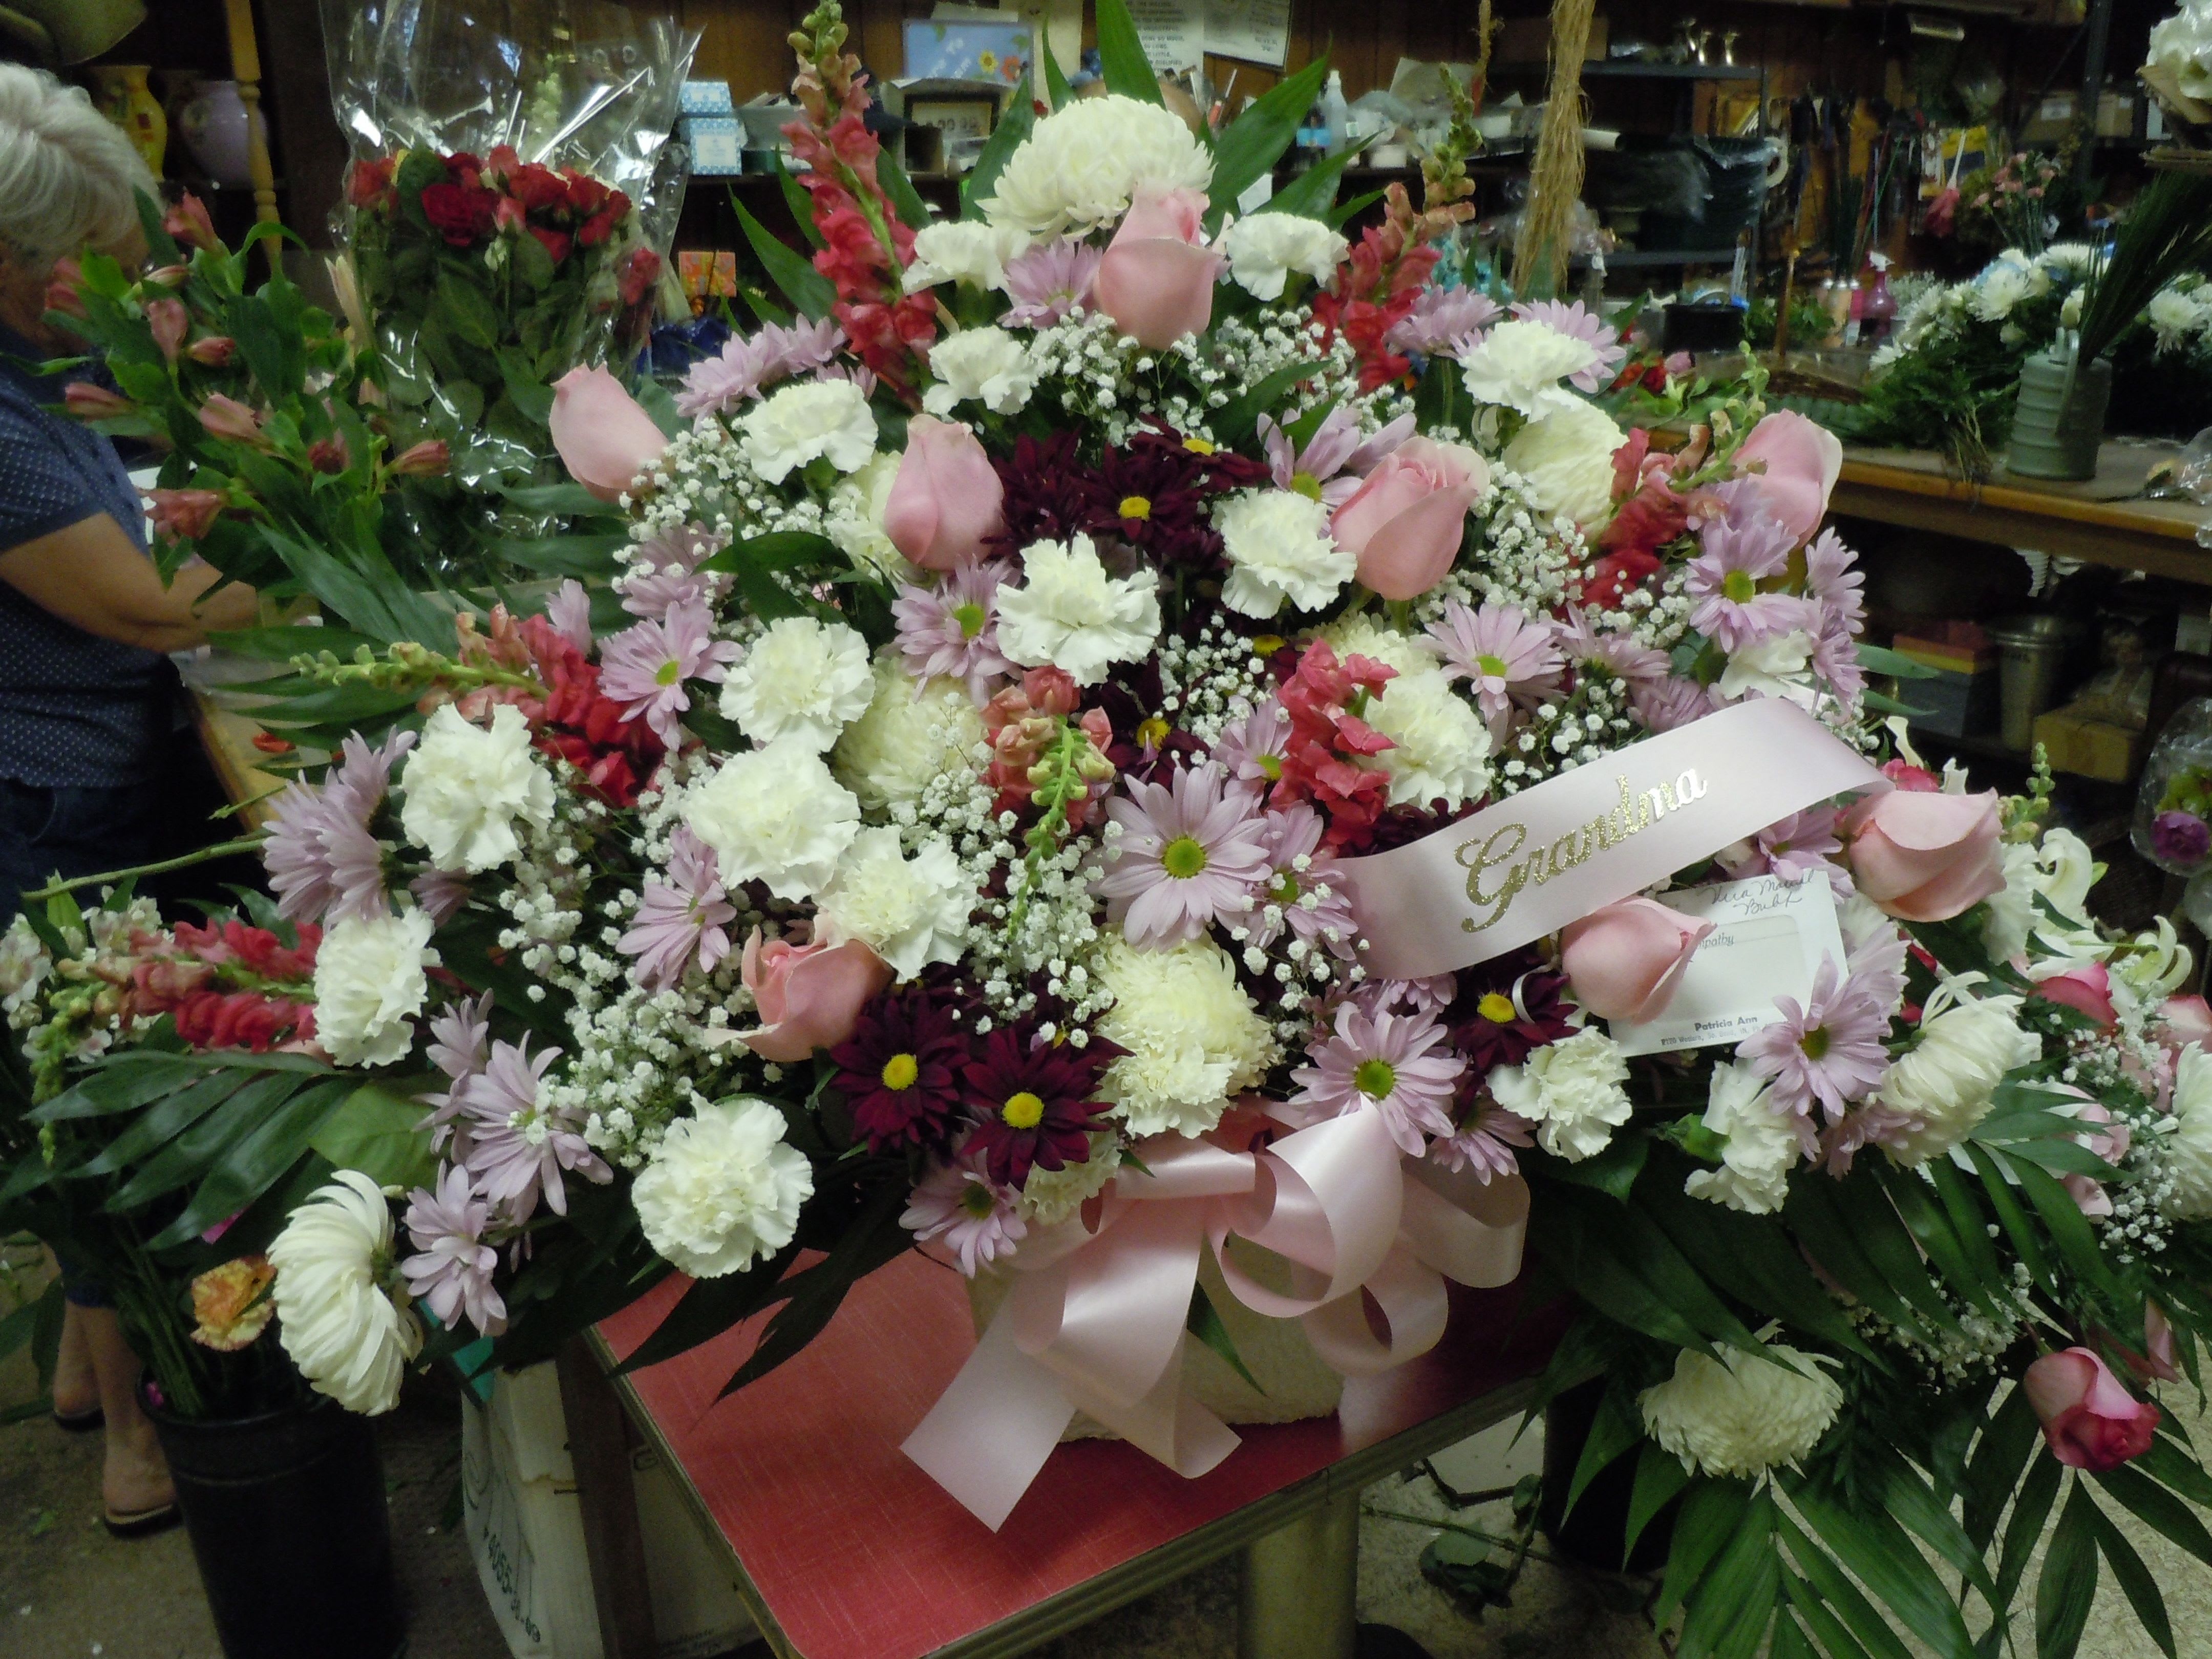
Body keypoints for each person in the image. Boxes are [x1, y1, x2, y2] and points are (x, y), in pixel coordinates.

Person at [0, 63, 260, 1539]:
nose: (95, 284)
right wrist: (314, 559)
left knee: (76, 1076)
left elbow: (119, 508)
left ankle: (83, 1377)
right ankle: (138, 1444)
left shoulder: (26, 359)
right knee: (99, 1108)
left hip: (80, 774)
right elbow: (151, 607)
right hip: (58, 802)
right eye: (75, 260)